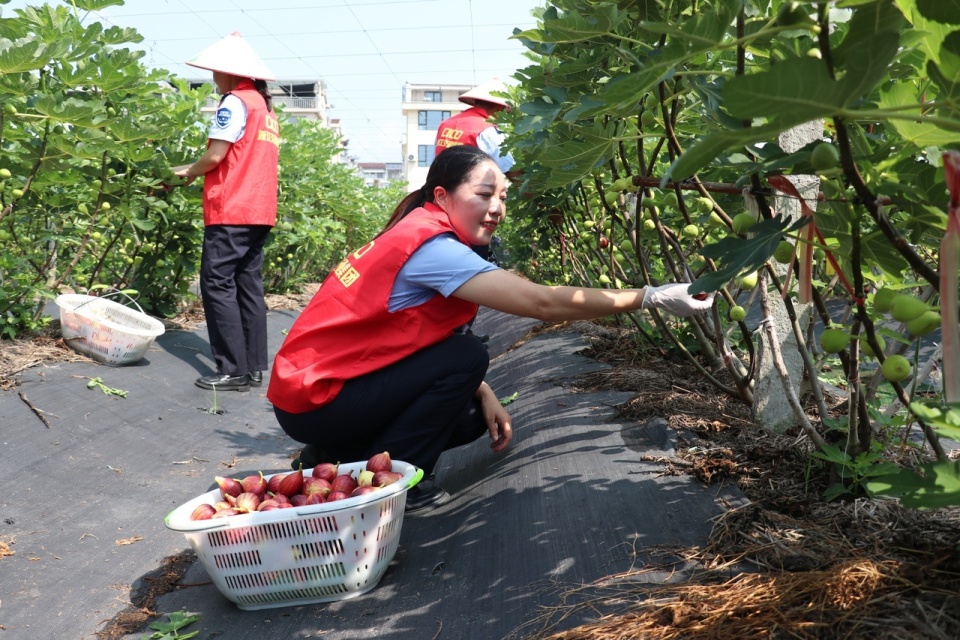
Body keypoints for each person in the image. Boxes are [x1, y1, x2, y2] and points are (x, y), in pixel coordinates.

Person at [267, 146, 712, 513]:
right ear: (442, 196)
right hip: (317, 397)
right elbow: (543, 302)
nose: (497, 208)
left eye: (503, 196)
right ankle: (392, 488)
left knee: (466, 417)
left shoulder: (421, 232)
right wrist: (650, 295)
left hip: (319, 389)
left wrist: (481, 391)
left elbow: (413, 336)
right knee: (467, 357)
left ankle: (329, 459)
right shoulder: (432, 248)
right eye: (484, 194)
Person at [172, 32, 281, 392]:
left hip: (232, 207)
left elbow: (216, 156)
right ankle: (250, 367)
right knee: (248, 285)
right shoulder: (265, 110)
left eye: (215, 71)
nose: (213, 77)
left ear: (229, 72)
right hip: (259, 209)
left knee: (217, 283)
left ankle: (232, 369)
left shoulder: (234, 102)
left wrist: (187, 171)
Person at [435, 77, 516, 179]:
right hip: (469, 187)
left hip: (440, 184)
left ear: (476, 102)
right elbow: (509, 168)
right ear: (499, 108)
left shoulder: (445, 124)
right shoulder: (487, 129)